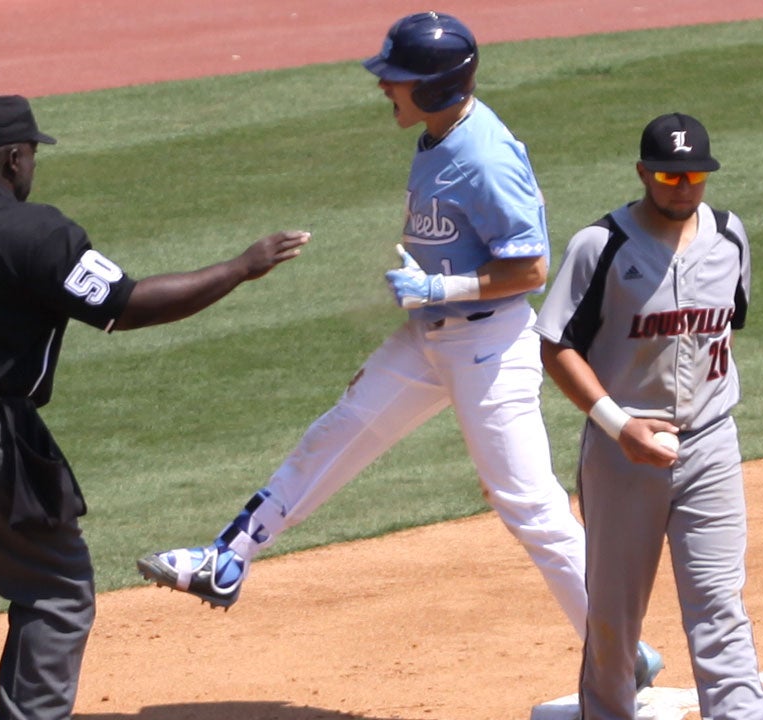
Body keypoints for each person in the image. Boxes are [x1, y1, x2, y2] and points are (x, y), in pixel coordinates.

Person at [136, 11, 660, 689]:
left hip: (489, 349)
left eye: (399, 79)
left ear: (438, 87)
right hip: (430, 337)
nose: (385, 86)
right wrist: (426, 306)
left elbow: (531, 267)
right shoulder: (441, 135)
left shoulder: (484, 155)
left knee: (530, 506)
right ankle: (226, 560)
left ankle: (626, 655)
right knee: (336, 432)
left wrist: (442, 283)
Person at [0, 93, 309, 720]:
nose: (33, 165)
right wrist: (239, 268)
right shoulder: (39, 233)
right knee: (56, 589)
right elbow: (128, 305)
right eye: (31, 153)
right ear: (13, 158)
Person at [534, 112, 763, 719]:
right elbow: (555, 345)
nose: (683, 186)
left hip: (712, 448)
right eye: (668, 176)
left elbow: (722, 332)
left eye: (694, 174)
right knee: (614, 618)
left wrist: (700, 412)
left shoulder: (730, 236)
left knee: (721, 607)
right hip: (621, 455)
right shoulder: (602, 247)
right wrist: (621, 426)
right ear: (644, 173)